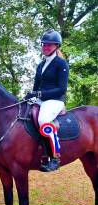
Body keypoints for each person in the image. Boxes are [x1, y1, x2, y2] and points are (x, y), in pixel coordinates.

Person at [24, 29, 69, 172]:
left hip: (55, 100)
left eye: (49, 45)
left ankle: (54, 157)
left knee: (43, 120)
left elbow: (62, 89)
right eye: (44, 44)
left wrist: (40, 94)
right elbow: (36, 87)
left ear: (56, 46)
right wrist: (30, 96)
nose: (45, 47)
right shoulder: (40, 65)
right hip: (41, 99)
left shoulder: (61, 64)